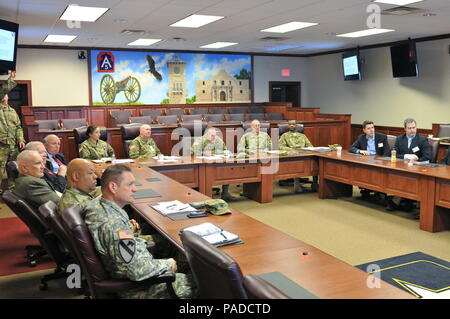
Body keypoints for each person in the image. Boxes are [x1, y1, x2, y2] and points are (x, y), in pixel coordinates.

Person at [84, 164, 196, 298]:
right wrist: (168, 264)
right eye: (130, 184)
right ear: (113, 187)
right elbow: (136, 270)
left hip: (135, 271)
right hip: (138, 288)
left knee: (185, 256)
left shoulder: (102, 205)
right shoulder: (112, 223)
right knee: (207, 282)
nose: (135, 189)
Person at [387, 118, 431, 213]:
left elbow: (428, 156)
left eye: (414, 127)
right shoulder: (399, 139)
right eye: (410, 128)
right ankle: (399, 199)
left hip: (417, 168)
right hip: (402, 167)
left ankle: (397, 200)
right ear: (405, 129)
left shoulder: (422, 140)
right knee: (398, 176)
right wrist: (406, 156)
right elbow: (394, 153)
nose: (412, 130)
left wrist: (416, 158)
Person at [191, 127, 236, 201]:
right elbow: (193, 153)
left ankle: (225, 194)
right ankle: (203, 195)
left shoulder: (217, 139)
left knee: (226, 170)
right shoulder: (200, 140)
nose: (214, 137)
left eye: (215, 135)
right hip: (202, 164)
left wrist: (216, 153)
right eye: (212, 135)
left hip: (216, 162)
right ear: (207, 134)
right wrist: (204, 153)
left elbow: (225, 149)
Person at [0, 71, 26, 194]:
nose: (5, 95)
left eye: (6, 94)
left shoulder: (12, 111)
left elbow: (19, 127)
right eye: (3, 94)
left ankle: (13, 193)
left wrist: (21, 139)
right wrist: (11, 79)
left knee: (13, 170)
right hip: (1, 147)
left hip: (13, 146)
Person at [279, 120, 317, 193]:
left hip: (304, 154)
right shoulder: (284, 135)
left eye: (293, 124)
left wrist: (307, 150)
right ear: (288, 126)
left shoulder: (302, 136)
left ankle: (315, 184)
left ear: (296, 126)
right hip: (292, 155)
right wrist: (291, 149)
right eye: (290, 124)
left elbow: (310, 146)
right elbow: (280, 146)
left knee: (314, 162)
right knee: (296, 164)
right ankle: (297, 185)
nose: (292, 126)